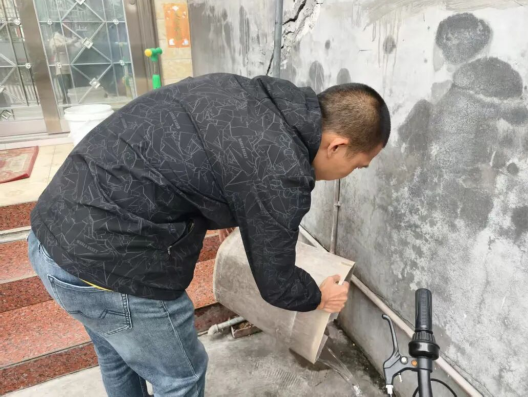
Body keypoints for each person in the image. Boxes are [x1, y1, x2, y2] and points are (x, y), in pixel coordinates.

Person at [28, 74, 390, 397]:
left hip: (52, 233)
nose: (350, 173)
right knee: (181, 377)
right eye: (357, 166)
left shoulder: (247, 93)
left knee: (119, 357)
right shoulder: (283, 171)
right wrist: (318, 295)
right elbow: (277, 284)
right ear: (337, 146)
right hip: (109, 267)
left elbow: (203, 160)